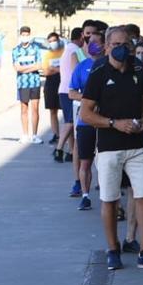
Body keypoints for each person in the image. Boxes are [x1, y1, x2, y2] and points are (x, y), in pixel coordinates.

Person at [79, 26, 143, 272]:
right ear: (106, 46)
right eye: (115, 44)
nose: (121, 48)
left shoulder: (137, 68)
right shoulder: (99, 71)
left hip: (137, 145)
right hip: (109, 147)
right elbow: (86, 113)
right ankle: (113, 249)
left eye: (125, 43)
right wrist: (114, 123)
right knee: (110, 199)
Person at [68, 34, 104, 211]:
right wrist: (88, 98)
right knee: (85, 161)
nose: (94, 45)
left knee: (106, 160)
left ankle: (110, 196)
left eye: (98, 42)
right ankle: (85, 196)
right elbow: (71, 92)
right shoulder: (81, 67)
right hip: (85, 121)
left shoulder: (108, 66)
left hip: (106, 121)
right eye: (91, 43)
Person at [59, 27, 88, 184]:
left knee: (71, 125)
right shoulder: (74, 51)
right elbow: (75, 74)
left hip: (66, 90)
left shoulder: (70, 49)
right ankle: (60, 147)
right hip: (71, 92)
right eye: (86, 35)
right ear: (81, 37)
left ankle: (66, 149)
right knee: (71, 123)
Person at [12, 27, 43, 144]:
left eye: (27, 34)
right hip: (22, 83)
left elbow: (39, 65)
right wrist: (31, 67)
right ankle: (25, 134)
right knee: (24, 109)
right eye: (23, 34)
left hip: (34, 82)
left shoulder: (36, 48)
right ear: (20, 35)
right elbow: (16, 68)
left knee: (35, 109)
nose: (25, 36)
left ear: (30, 35)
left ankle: (34, 135)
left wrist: (24, 68)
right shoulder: (16, 50)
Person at [41, 32, 67, 157]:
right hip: (51, 84)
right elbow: (46, 71)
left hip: (63, 83)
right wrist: (58, 70)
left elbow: (66, 69)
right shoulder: (47, 55)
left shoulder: (65, 52)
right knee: (53, 111)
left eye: (54, 40)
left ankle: (66, 134)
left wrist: (55, 69)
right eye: (50, 40)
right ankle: (56, 134)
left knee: (65, 111)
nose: (53, 42)